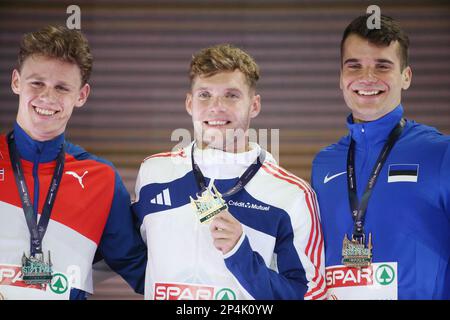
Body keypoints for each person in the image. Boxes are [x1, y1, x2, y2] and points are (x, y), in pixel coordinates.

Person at [132, 44, 326, 300]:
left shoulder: (292, 195)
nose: (216, 107)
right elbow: (134, 260)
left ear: (254, 105)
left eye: (231, 95)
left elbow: (309, 294)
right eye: (204, 95)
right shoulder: (153, 173)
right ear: (189, 103)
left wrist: (240, 254)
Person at [0, 25, 147, 300]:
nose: (48, 97)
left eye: (62, 87)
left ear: (81, 95)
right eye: (37, 83)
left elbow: (141, 270)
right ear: (16, 82)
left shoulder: (100, 179)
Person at [311, 14, 450, 299]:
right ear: (340, 78)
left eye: (382, 66)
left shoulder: (440, 153)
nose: (367, 78)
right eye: (355, 66)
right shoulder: (324, 163)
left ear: (406, 76)